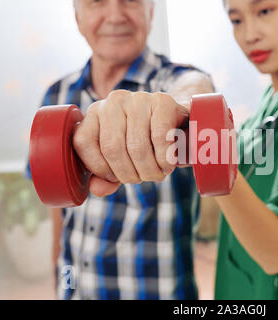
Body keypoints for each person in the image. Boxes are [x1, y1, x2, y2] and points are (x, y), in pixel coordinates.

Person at [70, 0, 278, 299]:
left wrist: (205, 142)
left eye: (264, 11)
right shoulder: (274, 101)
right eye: (236, 20)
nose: (250, 34)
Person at [26, 0, 214, 299]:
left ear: (151, 12)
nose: (115, 15)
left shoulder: (176, 80)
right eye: (97, 2)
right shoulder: (56, 94)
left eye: (131, 0)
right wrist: (62, 285)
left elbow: (196, 91)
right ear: (77, 17)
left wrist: (176, 110)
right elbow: (59, 216)